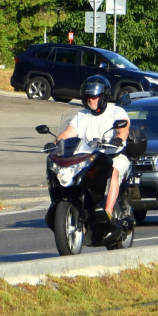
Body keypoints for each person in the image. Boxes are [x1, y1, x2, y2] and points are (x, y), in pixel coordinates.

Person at [54, 75, 129, 221]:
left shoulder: (116, 112)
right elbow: (69, 132)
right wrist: (56, 141)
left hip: (113, 157)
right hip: (89, 158)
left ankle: (107, 212)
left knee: (112, 171)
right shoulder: (81, 115)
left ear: (103, 96)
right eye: (88, 96)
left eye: (94, 96)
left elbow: (123, 130)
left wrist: (118, 139)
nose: (90, 99)